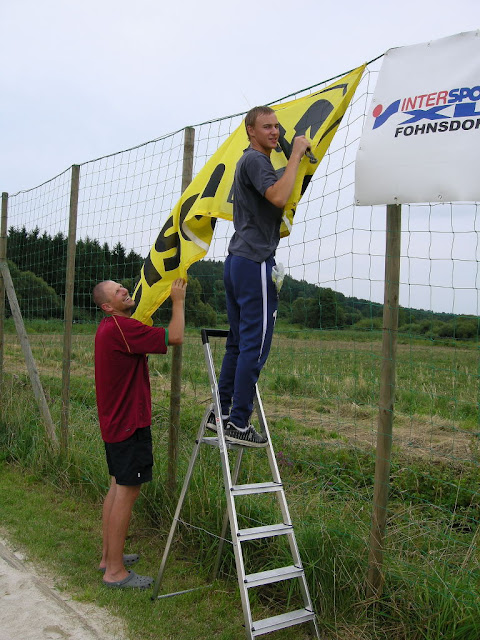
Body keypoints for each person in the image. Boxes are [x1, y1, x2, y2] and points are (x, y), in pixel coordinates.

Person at [207, 106, 310, 447]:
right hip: (253, 262)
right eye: (266, 126)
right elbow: (278, 196)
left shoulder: (252, 162)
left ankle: (219, 413)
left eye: (277, 126)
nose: (274, 132)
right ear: (250, 130)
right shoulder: (255, 161)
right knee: (256, 343)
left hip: (238, 259)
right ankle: (238, 421)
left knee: (237, 342)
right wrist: (294, 154)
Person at [92, 277, 187, 589]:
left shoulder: (111, 328)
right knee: (127, 492)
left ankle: (109, 557)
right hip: (129, 424)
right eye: (117, 291)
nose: (124, 290)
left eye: (123, 286)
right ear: (107, 306)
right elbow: (175, 337)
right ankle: (115, 572)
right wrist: (177, 300)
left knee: (117, 486)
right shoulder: (122, 328)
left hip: (115, 423)